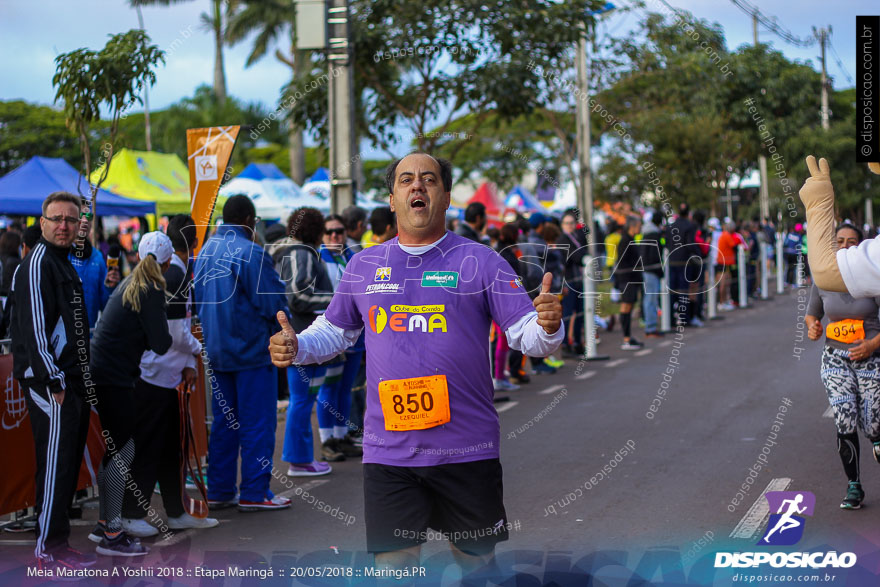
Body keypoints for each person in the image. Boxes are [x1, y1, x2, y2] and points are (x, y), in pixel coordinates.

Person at [267, 152, 563, 574]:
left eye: (429, 179)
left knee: (477, 565)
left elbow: (527, 336)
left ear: (444, 197)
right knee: (394, 567)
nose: (417, 186)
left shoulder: (482, 262)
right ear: (393, 199)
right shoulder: (364, 264)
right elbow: (336, 331)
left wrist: (549, 326)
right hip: (390, 454)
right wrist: (297, 345)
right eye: (406, 180)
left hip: (467, 450)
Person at [9, 192, 97, 571]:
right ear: (42, 223)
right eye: (56, 218)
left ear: (80, 225)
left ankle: (58, 545)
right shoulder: (38, 263)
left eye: (70, 219)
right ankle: (48, 552)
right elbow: (33, 332)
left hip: (70, 384)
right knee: (55, 469)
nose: (64, 225)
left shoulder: (62, 262)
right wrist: (55, 383)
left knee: (65, 470)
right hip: (51, 386)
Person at [120, 216, 219, 537]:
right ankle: (130, 514)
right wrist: (196, 350)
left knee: (170, 450)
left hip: (164, 376)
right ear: (193, 243)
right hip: (152, 377)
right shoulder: (174, 273)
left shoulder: (175, 272)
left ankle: (175, 512)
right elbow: (175, 333)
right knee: (150, 448)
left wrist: (190, 357)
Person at [193, 195, 292, 512]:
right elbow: (273, 305)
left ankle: (221, 489)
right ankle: (254, 491)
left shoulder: (205, 250)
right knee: (257, 424)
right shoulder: (252, 252)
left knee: (224, 424)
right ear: (250, 220)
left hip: (217, 352)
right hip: (250, 352)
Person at [87, 231, 173, 556]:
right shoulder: (150, 290)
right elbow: (161, 344)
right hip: (115, 379)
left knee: (116, 451)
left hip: (105, 375)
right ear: (165, 263)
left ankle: (104, 524)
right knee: (122, 451)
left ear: (137, 254)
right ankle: (111, 534)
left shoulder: (129, 284)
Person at [804, 224, 880, 510]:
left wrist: (871, 346)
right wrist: (813, 327)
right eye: (840, 241)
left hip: (871, 356)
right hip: (835, 358)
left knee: (873, 423)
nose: (846, 246)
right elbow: (813, 315)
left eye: (852, 242)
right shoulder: (823, 279)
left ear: (861, 246)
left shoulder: (873, 277)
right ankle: (854, 486)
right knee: (845, 419)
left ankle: (877, 437)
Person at [275, 207, 341, 471]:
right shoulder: (301, 253)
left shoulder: (293, 252)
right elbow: (298, 297)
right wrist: (337, 302)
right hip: (304, 337)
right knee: (302, 402)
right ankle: (299, 461)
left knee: (302, 401)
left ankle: (300, 458)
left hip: (302, 337)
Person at [317, 214, 365, 459]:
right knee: (329, 388)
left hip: (357, 336)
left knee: (346, 388)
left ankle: (342, 435)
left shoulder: (353, 257)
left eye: (339, 231)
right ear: (322, 235)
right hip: (332, 332)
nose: (335, 236)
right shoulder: (318, 258)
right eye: (329, 232)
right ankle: (327, 441)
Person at [69, 202, 120, 328]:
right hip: (61, 338)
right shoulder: (60, 255)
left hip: (89, 336)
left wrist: (110, 287)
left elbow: (104, 305)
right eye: (81, 215)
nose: (85, 220)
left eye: (89, 216)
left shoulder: (97, 257)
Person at [665, 203, 698, 326]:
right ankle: (684, 317)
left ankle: (670, 319)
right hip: (684, 262)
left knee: (672, 290)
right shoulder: (689, 226)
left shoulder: (671, 225)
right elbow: (690, 244)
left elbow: (667, 242)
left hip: (672, 261)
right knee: (684, 290)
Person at [614, 215, 644, 350]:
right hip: (627, 279)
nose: (640, 228)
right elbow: (623, 262)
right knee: (625, 307)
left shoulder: (630, 239)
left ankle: (628, 336)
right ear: (632, 226)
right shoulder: (625, 241)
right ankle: (626, 338)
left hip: (632, 279)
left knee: (629, 307)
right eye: (638, 225)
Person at [640, 213, 664, 337]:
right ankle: (651, 327)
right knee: (651, 299)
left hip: (645, 269)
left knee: (648, 299)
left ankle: (649, 324)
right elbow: (656, 255)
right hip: (652, 270)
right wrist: (660, 271)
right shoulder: (655, 235)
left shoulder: (645, 233)